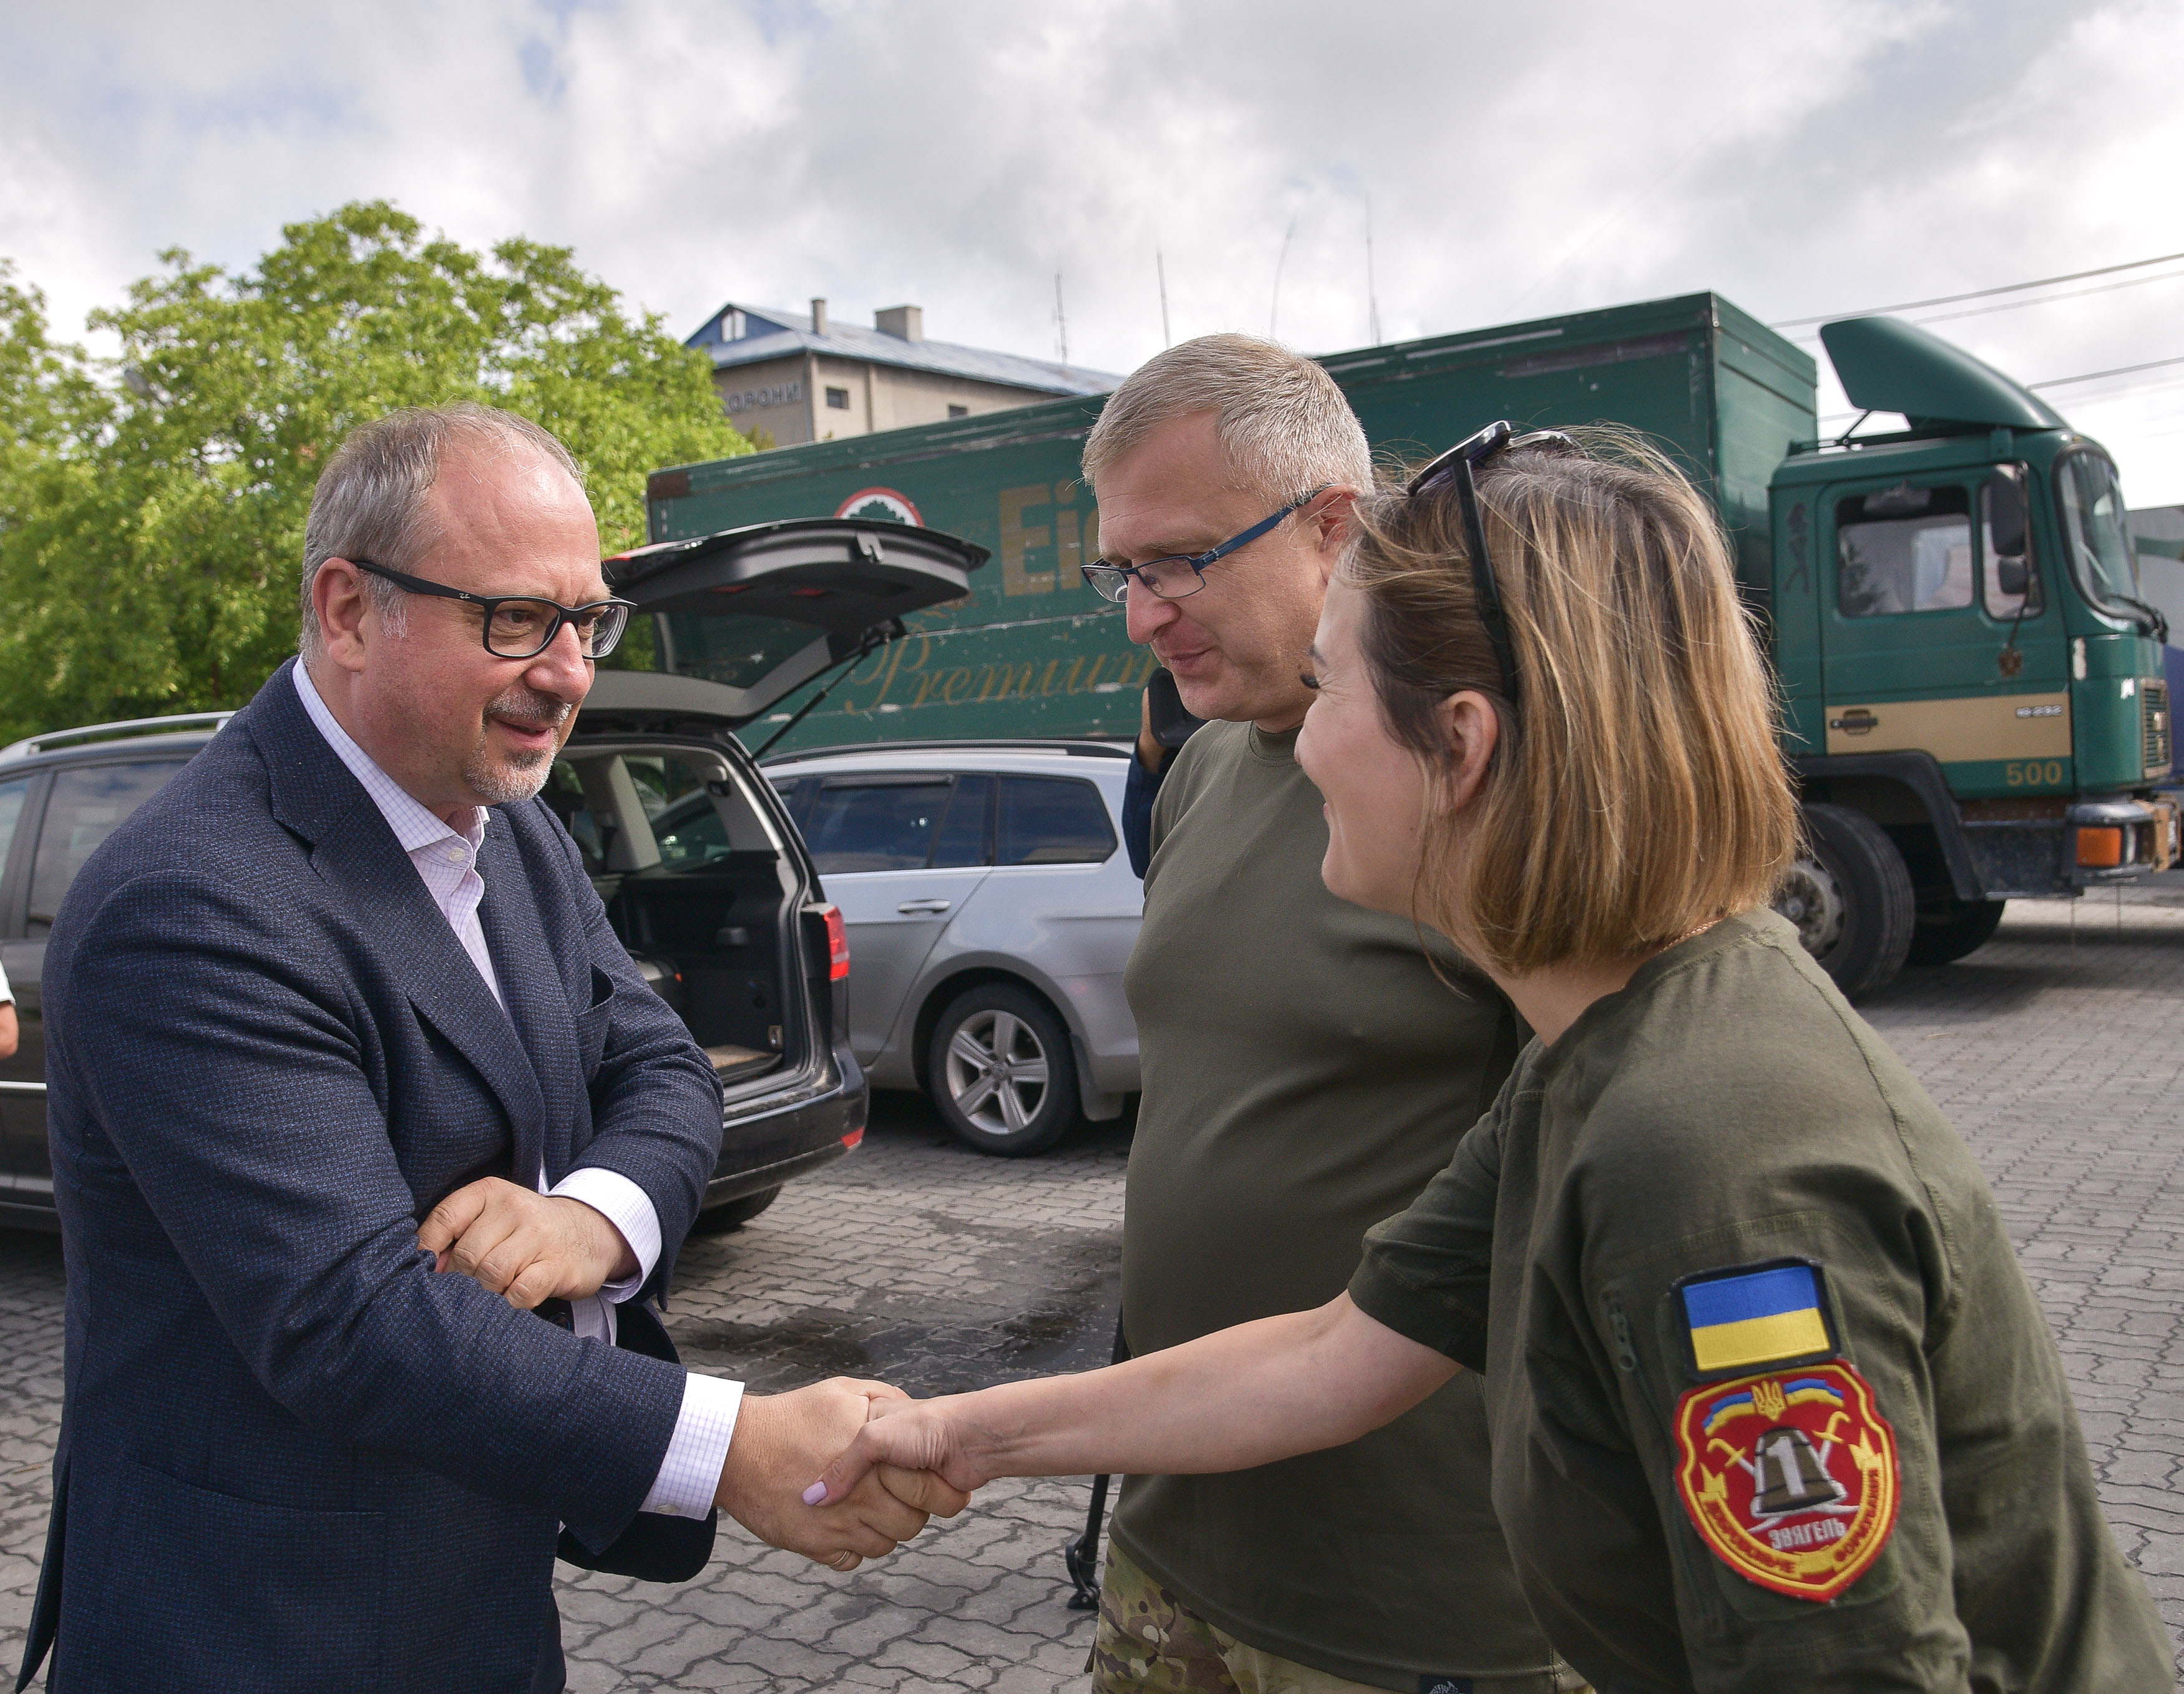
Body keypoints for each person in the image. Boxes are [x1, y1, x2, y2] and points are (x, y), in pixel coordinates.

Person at [810, 427, 2175, 1692]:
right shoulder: (1604, 1048)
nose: (1302, 743)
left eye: (1331, 687)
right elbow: (1335, 1352)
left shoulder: (1708, 1160)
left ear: (1460, 744)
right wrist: (962, 1435)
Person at [21, 404, 958, 1694]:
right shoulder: (190, 900)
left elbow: (663, 1069)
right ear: (349, 610)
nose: (570, 673)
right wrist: (730, 1445)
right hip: (258, 1631)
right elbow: (353, 1318)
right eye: (517, 619)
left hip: (480, 1605)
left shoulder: (508, 828)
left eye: (588, 620)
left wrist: (596, 1217)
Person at [1072, 337, 1572, 1694]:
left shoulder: (1482, 787)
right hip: (1172, 1549)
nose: (1142, 615)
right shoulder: (1200, 772)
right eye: (1122, 571)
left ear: (1334, 526)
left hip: (1419, 1602)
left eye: (1179, 561)